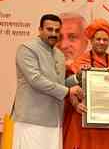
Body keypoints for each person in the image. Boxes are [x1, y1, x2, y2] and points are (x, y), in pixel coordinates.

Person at [12, 14, 83, 149]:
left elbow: (58, 83)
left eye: (57, 31)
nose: (53, 33)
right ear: (40, 29)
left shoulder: (59, 55)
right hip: (32, 121)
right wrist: (68, 91)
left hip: (54, 121)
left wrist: (78, 77)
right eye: (49, 29)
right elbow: (36, 80)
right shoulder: (27, 49)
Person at [63, 18, 109, 149]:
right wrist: (75, 104)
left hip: (106, 122)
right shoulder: (80, 61)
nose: (101, 42)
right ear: (91, 40)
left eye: (105, 40)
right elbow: (66, 85)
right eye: (98, 39)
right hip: (82, 119)